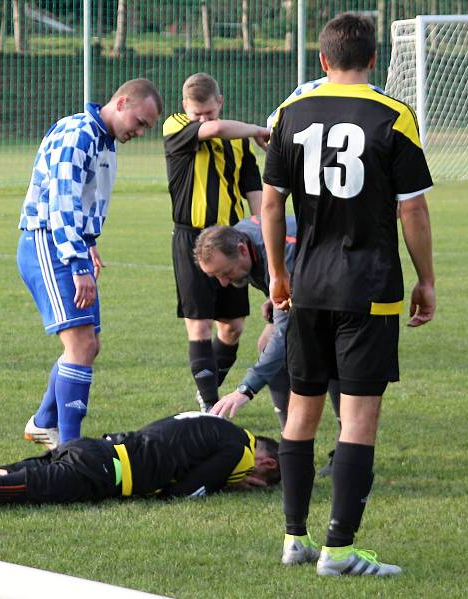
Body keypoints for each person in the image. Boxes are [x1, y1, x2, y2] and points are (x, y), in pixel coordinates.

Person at [261, 13, 436, 576]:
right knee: (357, 420)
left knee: (301, 413)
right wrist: (426, 278)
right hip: (369, 288)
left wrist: (277, 274)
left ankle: (294, 538)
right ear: (373, 59)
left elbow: (270, 203)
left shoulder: (290, 114)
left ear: (322, 60)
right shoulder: (393, 115)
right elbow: (412, 206)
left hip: (306, 284)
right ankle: (338, 551)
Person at [18, 79, 162, 449]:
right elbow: (62, 204)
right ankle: (70, 448)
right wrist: (77, 263)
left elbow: (87, 199)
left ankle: (44, 423)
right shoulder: (79, 134)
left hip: (72, 245)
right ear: (122, 101)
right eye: (141, 121)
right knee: (80, 345)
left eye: (147, 127)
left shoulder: (103, 141)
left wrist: (90, 243)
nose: (141, 132)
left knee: (89, 345)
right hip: (49, 242)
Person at [0, 412, 281, 513]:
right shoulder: (237, 451)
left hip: (93, 449)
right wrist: (227, 482)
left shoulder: (208, 419)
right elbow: (185, 492)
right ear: (268, 464)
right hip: (97, 474)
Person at [193, 217, 341, 475]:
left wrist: (245, 390)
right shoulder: (240, 238)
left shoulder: (284, 254)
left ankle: (345, 450)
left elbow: (286, 334)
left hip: (345, 293)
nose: (224, 283)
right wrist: (273, 300)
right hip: (314, 287)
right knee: (266, 343)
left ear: (240, 249)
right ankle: (290, 441)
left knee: (330, 356)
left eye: (225, 273)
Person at [163, 72, 271, 413]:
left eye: (209, 112)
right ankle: (211, 408)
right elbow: (216, 130)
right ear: (185, 108)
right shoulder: (175, 126)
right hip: (192, 238)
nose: (203, 119)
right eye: (197, 114)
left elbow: (253, 189)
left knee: (233, 328)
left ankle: (208, 392)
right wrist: (258, 130)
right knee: (200, 324)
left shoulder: (237, 141)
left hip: (230, 241)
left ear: (220, 102)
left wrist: (264, 228)